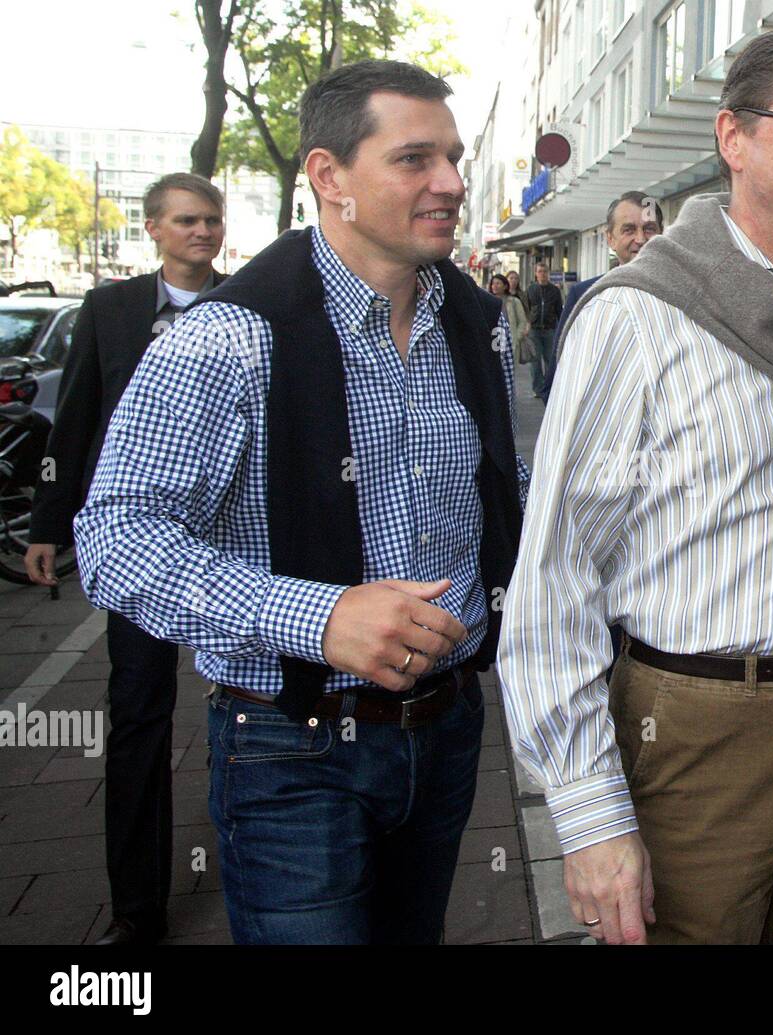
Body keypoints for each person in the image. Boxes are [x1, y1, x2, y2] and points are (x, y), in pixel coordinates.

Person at [74, 59, 527, 944]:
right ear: (329, 177)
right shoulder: (230, 336)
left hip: (448, 729)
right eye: (415, 159)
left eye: (456, 158)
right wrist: (317, 618)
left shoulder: (475, 323)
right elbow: (116, 536)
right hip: (292, 746)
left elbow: (492, 496)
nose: (452, 182)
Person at [499, 29, 773, 945]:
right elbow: (556, 576)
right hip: (696, 728)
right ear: (734, 137)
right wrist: (592, 816)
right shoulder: (636, 318)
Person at [26, 172, 227, 946]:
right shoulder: (109, 310)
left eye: (211, 220)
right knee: (138, 712)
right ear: (153, 228)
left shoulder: (245, 304)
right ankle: (136, 908)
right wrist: (51, 524)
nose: (202, 232)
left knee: (254, 704)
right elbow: (72, 420)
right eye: (186, 221)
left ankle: (265, 856)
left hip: (227, 541)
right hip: (138, 544)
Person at [549, 190, 663, 360]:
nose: (640, 239)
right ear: (610, 239)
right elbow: (557, 373)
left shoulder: (686, 294)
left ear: (662, 233)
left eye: (649, 229)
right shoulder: (584, 296)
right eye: (629, 230)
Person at [524, 262, 563, 401]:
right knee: (535, 362)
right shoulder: (531, 289)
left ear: (548, 273)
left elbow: (560, 310)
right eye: (540, 271)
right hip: (534, 330)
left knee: (549, 361)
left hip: (549, 330)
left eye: (545, 271)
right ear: (536, 273)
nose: (542, 274)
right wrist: (526, 325)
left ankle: (550, 387)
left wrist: (562, 328)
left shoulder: (554, 290)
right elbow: (526, 309)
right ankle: (538, 389)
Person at [489, 272, 532, 383]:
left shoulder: (514, 301)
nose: (495, 286)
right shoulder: (487, 300)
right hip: (493, 338)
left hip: (509, 339)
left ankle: (509, 397)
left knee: (508, 373)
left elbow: (522, 321)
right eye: (493, 283)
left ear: (505, 286)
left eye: (498, 283)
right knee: (493, 372)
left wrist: (516, 337)